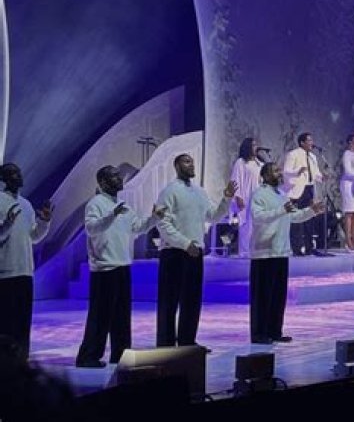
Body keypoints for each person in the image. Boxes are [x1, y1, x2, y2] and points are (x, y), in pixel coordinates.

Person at [75, 165, 165, 368]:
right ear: (103, 182)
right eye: (114, 176)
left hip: (123, 264)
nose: (119, 178)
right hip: (104, 268)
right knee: (100, 316)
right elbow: (91, 228)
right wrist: (111, 215)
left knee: (122, 316)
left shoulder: (124, 206)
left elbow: (138, 227)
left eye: (118, 175)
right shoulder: (95, 203)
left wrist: (154, 218)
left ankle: (121, 353)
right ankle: (88, 356)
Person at [155, 154, 236, 348]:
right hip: (174, 252)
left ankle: (187, 342)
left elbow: (213, 215)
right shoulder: (169, 191)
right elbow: (162, 223)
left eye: (192, 161)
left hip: (195, 252)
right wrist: (185, 244)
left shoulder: (200, 192)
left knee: (192, 300)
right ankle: (165, 344)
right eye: (186, 162)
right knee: (169, 301)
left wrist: (226, 198)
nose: (191, 165)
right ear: (177, 166)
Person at [249, 162, 324, 344]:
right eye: (275, 171)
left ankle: (275, 331)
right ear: (265, 175)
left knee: (278, 295)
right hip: (264, 252)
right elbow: (258, 217)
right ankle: (259, 334)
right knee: (262, 296)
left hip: (281, 251)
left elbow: (294, 216)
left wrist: (311, 211)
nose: (279, 173)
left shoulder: (282, 194)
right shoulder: (259, 194)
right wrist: (281, 210)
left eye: (279, 170)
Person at [0, 163, 53, 359]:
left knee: (23, 320)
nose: (18, 176)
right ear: (3, 179)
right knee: (6, 321)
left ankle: (22, 359)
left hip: (25, 270)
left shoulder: (26, 204)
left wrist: (44, 222)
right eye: (13, 173)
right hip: (5, 272)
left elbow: (34, 237)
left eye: (19, 172)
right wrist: (7, 224)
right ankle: (5, 362)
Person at [283, 132, 324, 256]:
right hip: (297, 190)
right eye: (309, 140)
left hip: (309, 188)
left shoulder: (312, 157)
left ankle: (309, 247)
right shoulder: (293, 154)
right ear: (302, 142)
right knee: (296, 220)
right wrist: (297, 171)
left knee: (309, 217)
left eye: (312, 140)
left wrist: (322, 177)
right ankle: (296, 249)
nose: (312, 143)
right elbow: (286, 171)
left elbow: (315, 173)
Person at [229, 137, 264, 258]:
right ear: (248, 147)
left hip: (258, 197)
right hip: (246, 196)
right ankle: (244, 253)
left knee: (258, 225)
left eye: (256, 145)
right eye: (253, 145)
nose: (256, 147)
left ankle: (256, 251)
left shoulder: (259, 163)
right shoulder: (241, 162)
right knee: (246, 226)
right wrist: (238, 197)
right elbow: (235, 180)